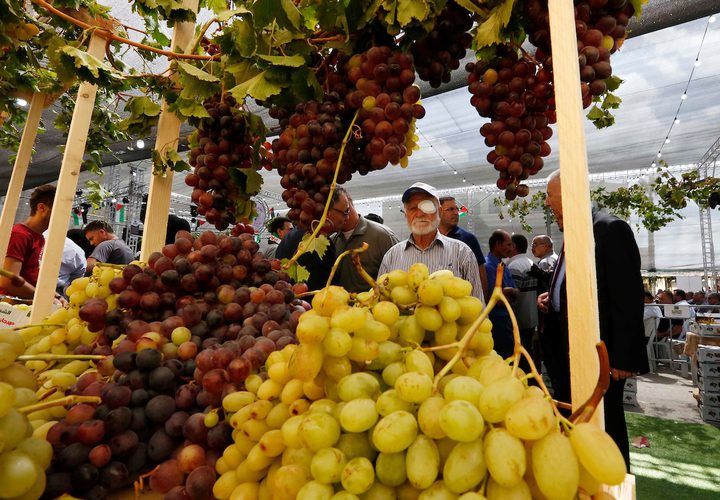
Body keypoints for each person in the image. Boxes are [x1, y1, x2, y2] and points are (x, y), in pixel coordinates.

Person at [537, 170, 648, 470]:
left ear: (571, 192)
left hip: (602, 356)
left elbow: (627, 297)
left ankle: (614, 481)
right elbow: (580, 285)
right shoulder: (575, 230)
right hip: (569, 350)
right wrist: (554, 299)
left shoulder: (610, 229)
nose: (547, 203)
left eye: (551, 195)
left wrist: (623, 358)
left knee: (605, 424)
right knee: (580, 421)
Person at [378, 183, 484, 302]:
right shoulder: (391, 256)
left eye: (427, 207)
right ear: (406, 214)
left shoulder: (462, 252)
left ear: (439, 211)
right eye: (413, 208)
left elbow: (477, 304)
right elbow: (381, 302)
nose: (419, 214)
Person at [327, 188, 398, 294]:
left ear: (347, 205)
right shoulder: (332, 241)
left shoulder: (383, 236)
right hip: (342, 309)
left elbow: (399, 278)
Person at [0, 185, 56, 298]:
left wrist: (55, 296)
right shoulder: (20, 234)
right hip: (10, 308)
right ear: (41, 208)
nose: (64, 216)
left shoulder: (38, 237)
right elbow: (7, 281)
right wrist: (44, 298)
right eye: (59, 210)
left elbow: (30, 275)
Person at [438, 196, 489, 298]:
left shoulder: (468, 239)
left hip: (463, 302)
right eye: (450, 209)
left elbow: (481, 273)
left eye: (456, 209)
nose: (456, 213)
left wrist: (482, 303)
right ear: (438, 212)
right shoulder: (430, 238)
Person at [484, 230, 519, 358]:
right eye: (508, 245)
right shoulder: (488, 267)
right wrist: (508, 292)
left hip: (506, 320)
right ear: (498, 244)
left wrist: (509, 291)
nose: (511, 249)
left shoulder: (503, 265)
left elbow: (515, 292)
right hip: (496, 322)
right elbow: (496, 298)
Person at [507, 234, 538, 370]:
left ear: (513, 246)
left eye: (508, 244)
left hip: (519, 318)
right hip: (531, 316)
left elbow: (514, 295)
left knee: (521, 354)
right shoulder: (530, 263)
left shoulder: (514, 267)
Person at [43, 230, 86, 296]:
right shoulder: (78, 253)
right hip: (56, 290)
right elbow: (76, 281)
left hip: (30, 282)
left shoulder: (42, 235)